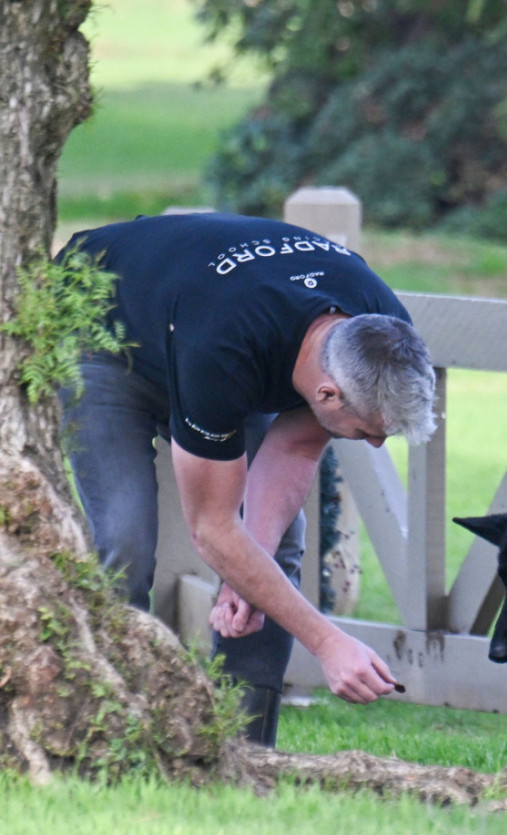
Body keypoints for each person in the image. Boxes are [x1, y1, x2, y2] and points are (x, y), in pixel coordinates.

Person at [58, 212, 437, 746]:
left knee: (276, 546)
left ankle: (244, 750)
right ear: (328, 394)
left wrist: (246, 573)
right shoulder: (225, 346)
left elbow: (295, 447)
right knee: (125, 540)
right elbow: (212, 527)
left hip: (199, 321)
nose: (375, 443)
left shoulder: (378, 332)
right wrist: (328, 643)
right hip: (103, 326)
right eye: (370, 431)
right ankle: (111, 735)